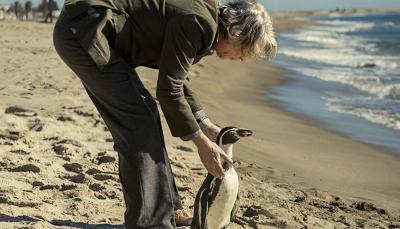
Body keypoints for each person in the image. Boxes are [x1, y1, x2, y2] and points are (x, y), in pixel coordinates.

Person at [53, 0, 276, 228]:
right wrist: (201, 143)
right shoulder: (199, 23)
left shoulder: (205, 19)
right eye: (246, 52)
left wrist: (204, 123)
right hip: (83, 32)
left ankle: (168, 211)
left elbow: (175, 76)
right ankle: (150, 222)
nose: (242, 59)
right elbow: (168, 90)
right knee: (138, 121)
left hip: (90, 28)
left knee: (145, 113)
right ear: (236, 32)